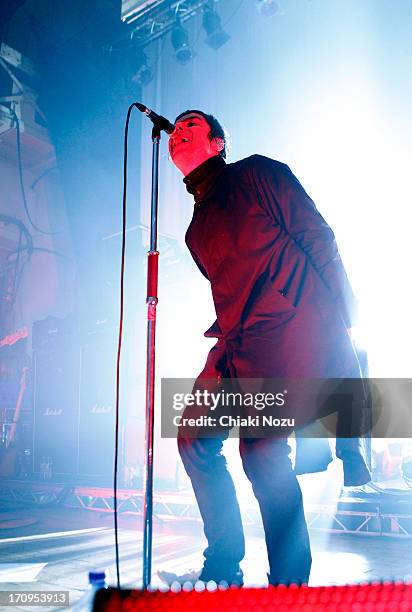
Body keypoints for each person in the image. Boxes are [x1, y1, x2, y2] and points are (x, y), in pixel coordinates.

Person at [163, 109, 370, 587]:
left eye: (190, 127)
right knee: (194, 439)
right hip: (237, 345)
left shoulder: (257, 173)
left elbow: (318, 238)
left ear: (218, 143)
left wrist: (345, 321)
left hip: (286, 332)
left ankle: (290, 583)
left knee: (260, 455)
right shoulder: (195, 232)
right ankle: (224, 562)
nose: (177, 134)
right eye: (175, 130)